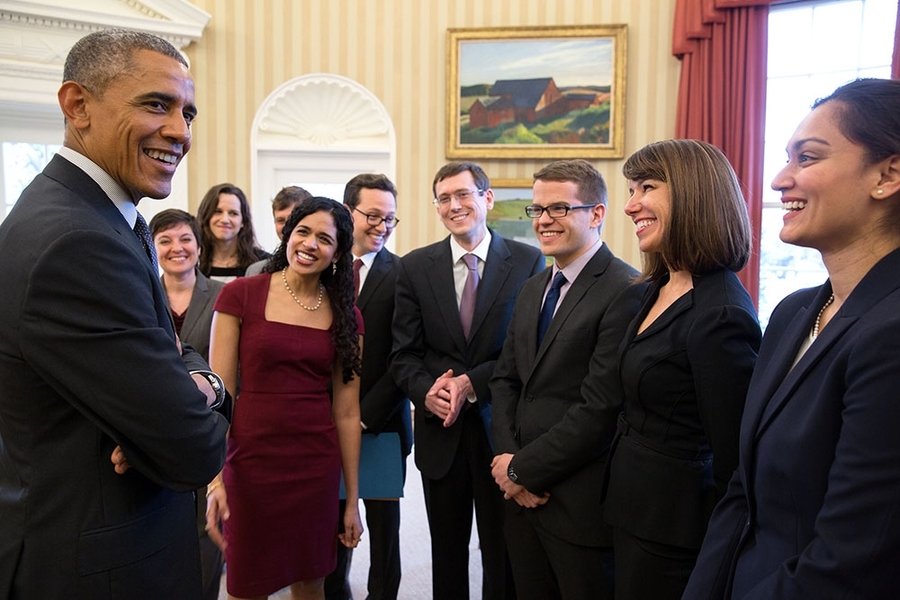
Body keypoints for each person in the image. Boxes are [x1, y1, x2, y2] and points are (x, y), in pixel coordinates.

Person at [0, 29, 228, 599]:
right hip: (96, 568)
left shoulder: (102, 218)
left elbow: (172, 375)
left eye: (188, 112)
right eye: (156, 104)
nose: (181, 131)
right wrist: (198, 397)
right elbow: (193, 445)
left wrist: (191, 383)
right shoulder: (74, 239)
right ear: (78, 106)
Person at [684, 78, 900, 599]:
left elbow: (852, 561)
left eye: (807, 157)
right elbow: (743, 492)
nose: (781, 179)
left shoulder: (891, 334)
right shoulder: (793, 313)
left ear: (888, 174)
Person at [602, 139, 761, 600]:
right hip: (632, 508)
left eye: (645, 187)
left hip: (674, 534)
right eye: (630, 190)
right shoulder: (656, 287)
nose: (631, 205)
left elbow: (733, 461)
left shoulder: (721, 313)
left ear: (693, 194)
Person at [489, 159, 645, 600]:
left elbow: (600, 408)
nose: (543, 220)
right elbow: (505, 381)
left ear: (596, 214)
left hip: (578, 503)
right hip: (518, 498)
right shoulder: (533, 287)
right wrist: (507, 463)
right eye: (536, 210)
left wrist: (524, 469)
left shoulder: (626, 289)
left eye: (558, 208)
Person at [391, 161, 545, 600]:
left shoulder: (528, 260)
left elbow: (527, 351)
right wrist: (428, 391)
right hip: (442, 435)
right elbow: (403, 355)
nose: (454, 205)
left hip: (503, 430)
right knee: (447, 555)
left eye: (464, 194)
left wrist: (469, 384)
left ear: (487, 199)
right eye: (444, 198)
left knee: (504, 557)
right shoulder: (415, 267)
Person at [206, 196, 365, 600]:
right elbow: (218, 397)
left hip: (315, 466)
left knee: (311, 580)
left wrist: (351, 501)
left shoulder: (347, 315)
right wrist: (213, 479)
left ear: (338, 254)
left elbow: (346, 412)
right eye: (303, 232)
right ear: (287, 235)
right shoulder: (240, 295)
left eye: (325, 239)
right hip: (250, 463)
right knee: (245, 582)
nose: (310, 244)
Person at [325, 173, 411, 600]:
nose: (382, 226)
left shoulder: (405, 275)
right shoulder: (322, 269)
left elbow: (406, 358)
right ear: (348, 212)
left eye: (391, 219)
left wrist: (361, 420)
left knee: (384, 539)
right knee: (330, 534)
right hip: (322, 426)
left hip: (381, 426)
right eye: (373, 216)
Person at [149, 208, 226, 600]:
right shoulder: (139, 293)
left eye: (185, 239)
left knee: (207, 533)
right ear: (152, 248)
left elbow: (233, 374)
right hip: (155, 431)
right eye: (165, 240)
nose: (177, 248)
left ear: (198, 246)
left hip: (211, 429)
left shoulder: (224, 296)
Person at [197, 182, 269, 282]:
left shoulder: (263, 264)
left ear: (243, 221)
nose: (225, 220)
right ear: (206, 216)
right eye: (218, 211)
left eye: (233, 213)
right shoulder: (192, 261)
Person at [246, 185, 313, 276]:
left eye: (292, 219)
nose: (286, 227)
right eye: (280, 220)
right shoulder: (256, 271)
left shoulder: (323, 269)